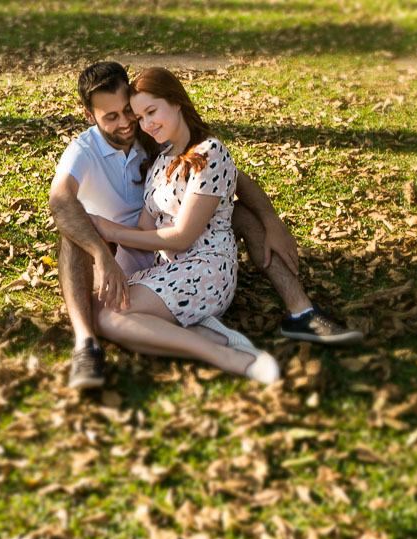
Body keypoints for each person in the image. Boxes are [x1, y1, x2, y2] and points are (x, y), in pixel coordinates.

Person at [49, 62, 360, 389]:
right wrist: (101, 249)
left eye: (132, 112)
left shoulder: (158, 136)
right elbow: (60, 201)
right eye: (112, 117)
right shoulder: (89, 150)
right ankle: (91, 345)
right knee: (74, 238)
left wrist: (271, 220)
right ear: (89, 116)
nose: (129, 123)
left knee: (240, 213)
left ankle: (301, 312)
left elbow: (231, 179)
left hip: (183, 248)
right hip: (135, 249)